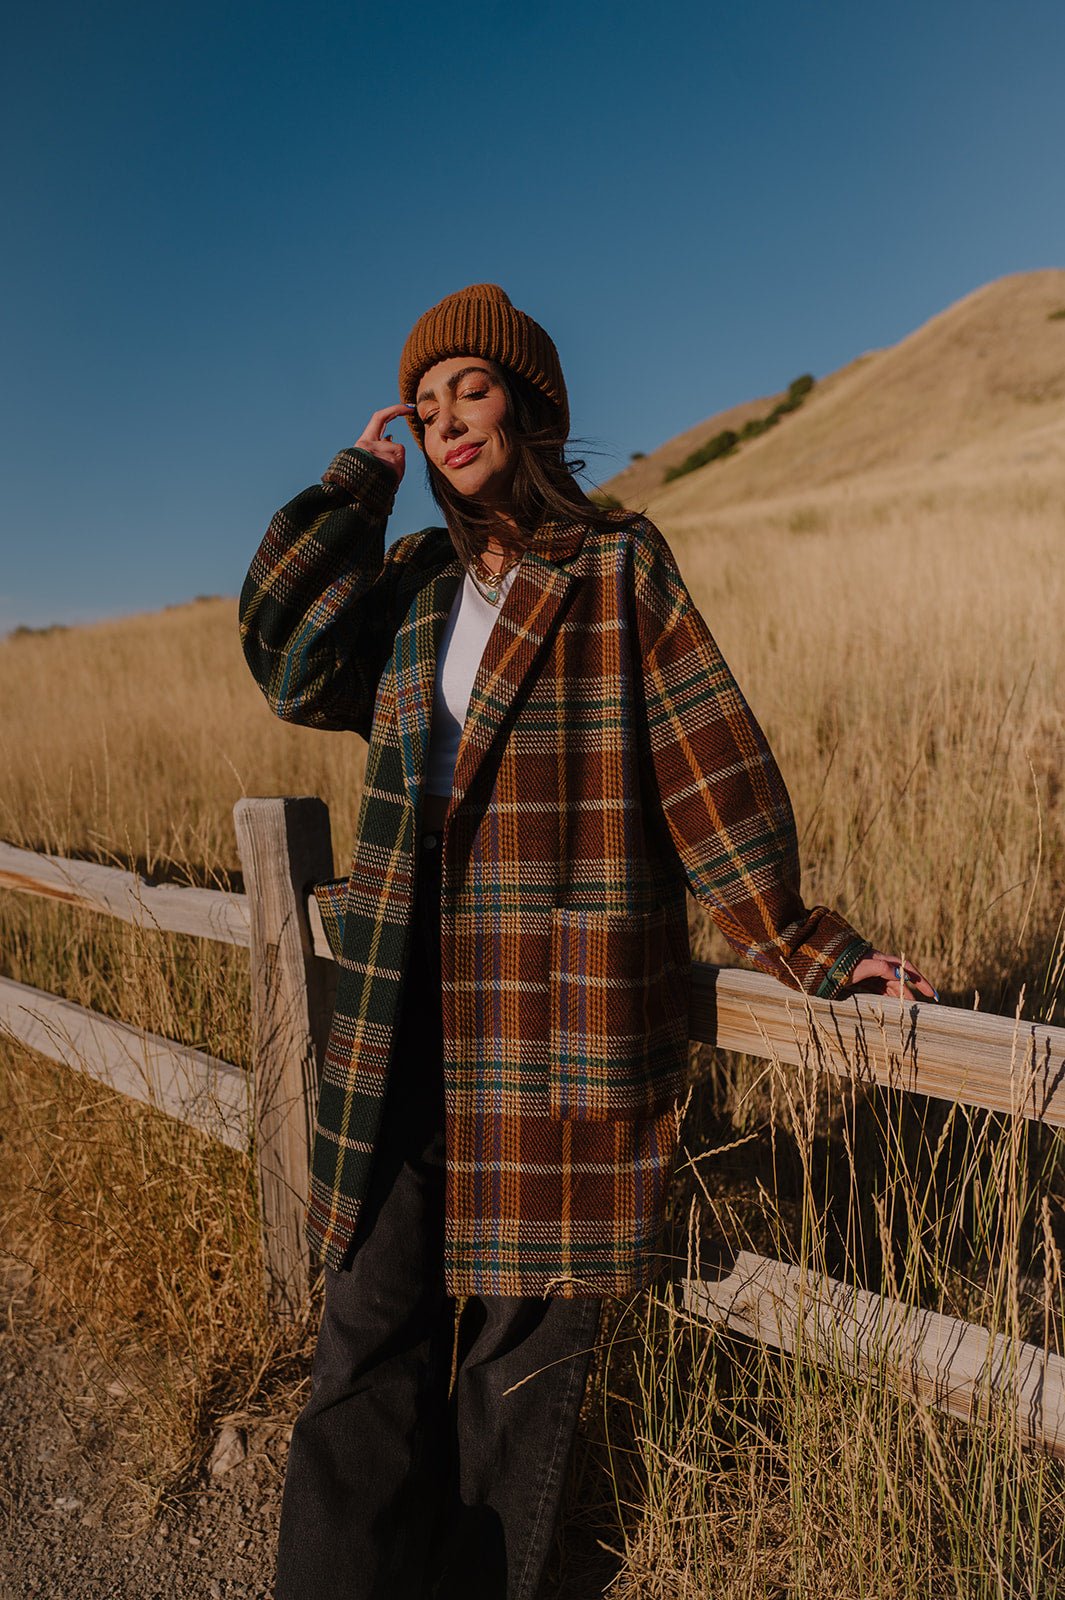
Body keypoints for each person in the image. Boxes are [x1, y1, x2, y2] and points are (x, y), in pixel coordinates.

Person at [238, 282, 935, 1600]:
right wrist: (352, 485)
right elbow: (285, 657)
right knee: (366, 1336)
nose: (447, 419)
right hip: (401, 1010)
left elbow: (704, 762)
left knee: (520, 1369)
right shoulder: (410, 583)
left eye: (472, 390)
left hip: (555, 1013)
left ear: (531, 406)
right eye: (425, 403)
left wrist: (804, 941)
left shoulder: (615, 565)